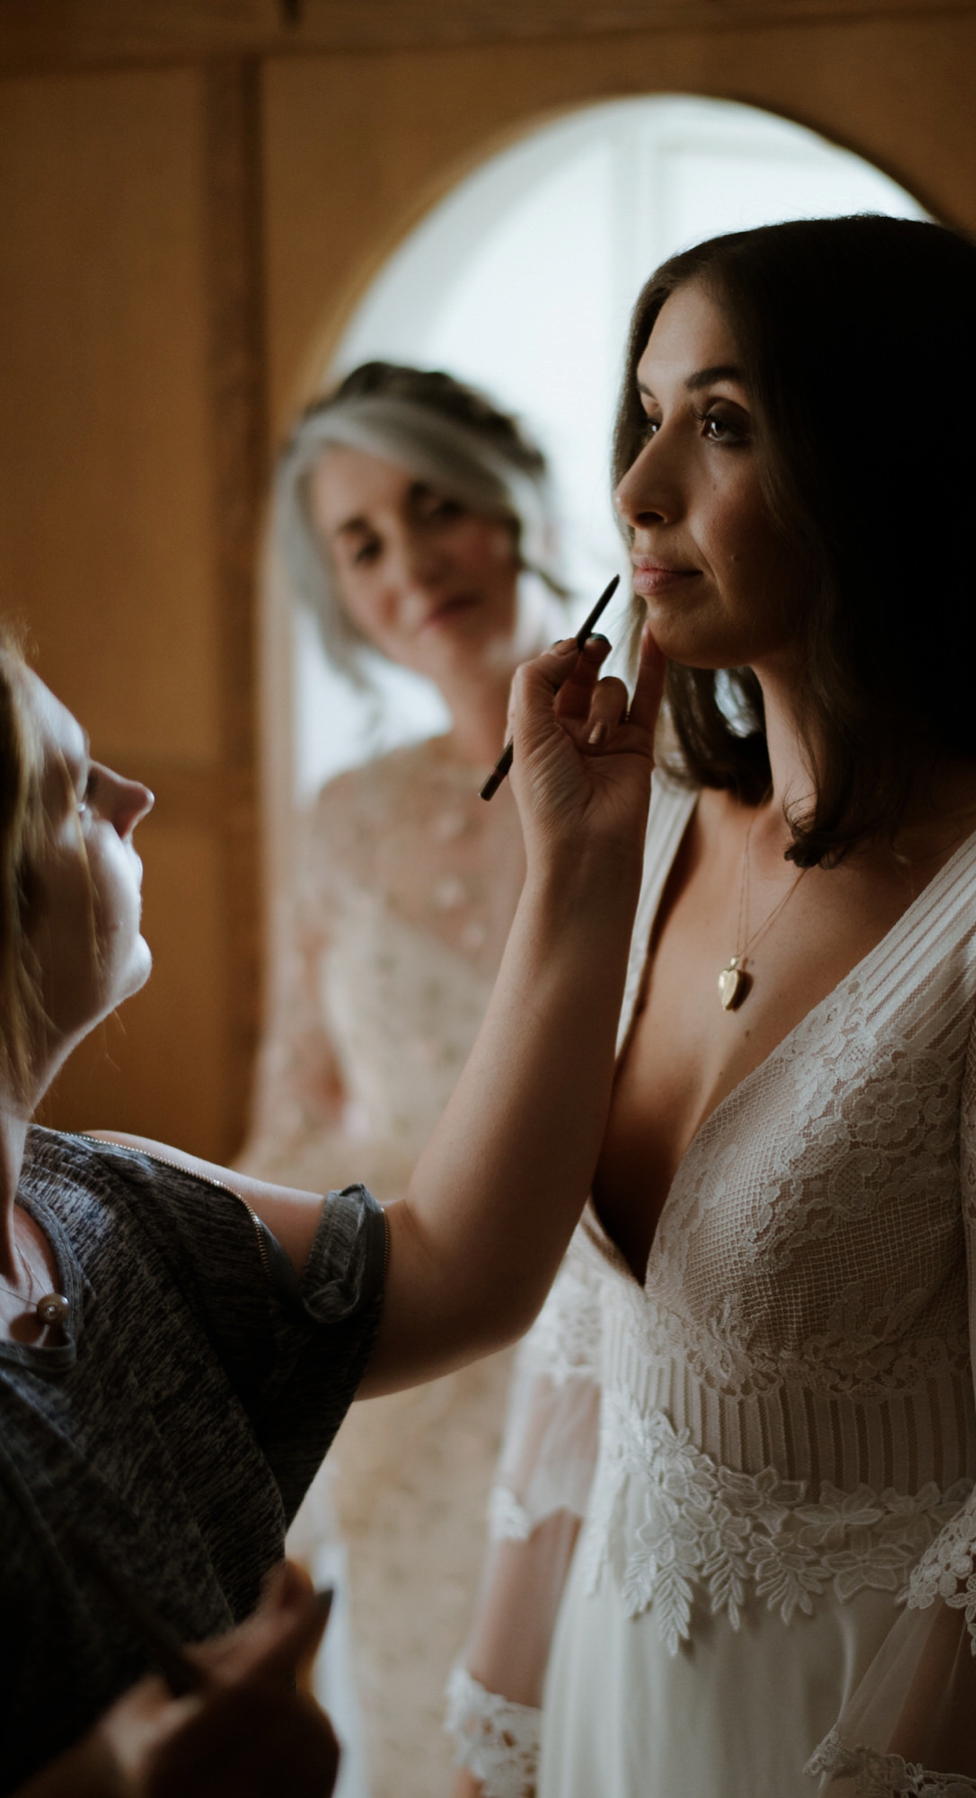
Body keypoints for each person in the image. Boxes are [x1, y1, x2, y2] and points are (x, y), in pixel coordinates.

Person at [446, 217, 976, 1798]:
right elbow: (580, 1353)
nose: (638, 489)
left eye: (720, 423)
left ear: (894, 469)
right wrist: (495, 1744)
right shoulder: (653, 831)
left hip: (885, 1730)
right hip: (620, 1688)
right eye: (643, 415)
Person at [0, 617, 665, 1796]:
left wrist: (579, 860)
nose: (138, 793)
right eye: (68, 788)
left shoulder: (108, 1204)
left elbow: (454, 1264)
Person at [239, 362, 569, 1790]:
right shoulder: (346, 817)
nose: (411, 562)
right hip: (402, 1351)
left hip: (592, 1331)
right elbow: (298, 1107)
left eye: (436, 508)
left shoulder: (667, 766)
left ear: (507, 505)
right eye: (361, 543)